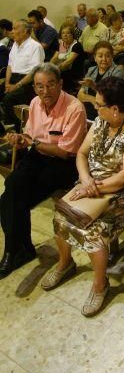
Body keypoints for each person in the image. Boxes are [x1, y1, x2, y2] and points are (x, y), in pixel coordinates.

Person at [41, 77, 124, 316]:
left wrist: (94, 188)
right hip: (91, 185)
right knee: (61, 214)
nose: (95, 108)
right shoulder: (101, 122)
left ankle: (101, 285)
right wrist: (86, 180)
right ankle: (65, 263)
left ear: (115, 108)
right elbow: (81, 153)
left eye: (99, 104)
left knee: (95, 230)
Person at [0, 63, 87, 279]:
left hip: (65, 164)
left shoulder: (74, 108)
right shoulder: (35, 104)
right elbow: (29, 137)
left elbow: (65, 152)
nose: (44, 92)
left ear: (60, 84)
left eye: (50, 85)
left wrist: (32, 142)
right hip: (38, 155)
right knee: (11, 188)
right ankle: (17, 250)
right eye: (39, 86)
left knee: (14, 200)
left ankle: (18, 251)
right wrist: (20, 140)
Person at [0, 20, 45, 131]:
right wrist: (7, 83)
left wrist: (16, 86)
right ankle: (2, 128)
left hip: (28, 81)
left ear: (25, 31)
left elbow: (34, 71)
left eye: (15, 29)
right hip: (13, 79)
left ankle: (15, 127)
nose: (12, 32)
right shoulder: (15, 45)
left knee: (9, 98)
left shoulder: (35, 47)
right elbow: (10, 66)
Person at [77, 41, 124, 120]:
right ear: (95, 58)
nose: (104, 59)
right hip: (86, 114)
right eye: (100, 56)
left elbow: (110, 97)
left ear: (112, 56)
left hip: (106, 117)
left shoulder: (118, 71)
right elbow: (80, 95)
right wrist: (93, 99)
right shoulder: (91, 70)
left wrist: (93, 86)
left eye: (108, 56)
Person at [50, 23, 85, 94]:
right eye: (63, 33)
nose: (65, 35)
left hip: (73, 72)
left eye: (68, 33)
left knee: (56, 75)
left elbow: (68, 62)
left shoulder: (77, 45)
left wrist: (55, 69)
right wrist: (48, 67)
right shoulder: (60, 44)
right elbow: (54, 58)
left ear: (72, 34)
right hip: (61, 69)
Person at [105, 11, 124, 76]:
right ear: (113, 21)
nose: (122, 21)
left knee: (122, 62)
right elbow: (105, 45)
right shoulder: (107, 31)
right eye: (119, 19)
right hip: (112, 54)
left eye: (121, 19)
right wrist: (113, 49)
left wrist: (120, 49)